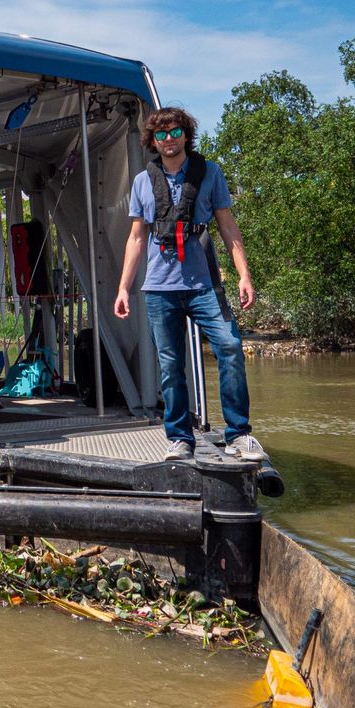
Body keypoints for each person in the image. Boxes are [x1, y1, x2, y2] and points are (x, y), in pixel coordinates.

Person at [112, 107, 265, 462]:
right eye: (161, 134)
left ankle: (239, 435)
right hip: (159, 288)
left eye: (175, 131)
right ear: (153, 140)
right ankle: (179, 438)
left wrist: (244, 275)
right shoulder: (142, 182)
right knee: (170, 364)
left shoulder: (210, 173)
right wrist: (123, 288)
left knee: (228, 346)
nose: (169, 139)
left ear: (186, 134)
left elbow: (228, 227)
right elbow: (136, 239)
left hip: (203, 285)